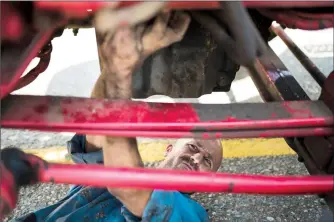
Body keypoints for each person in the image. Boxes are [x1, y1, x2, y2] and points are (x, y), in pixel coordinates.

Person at [14, 10, 223, 222]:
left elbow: (129, 190)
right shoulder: (117, 164)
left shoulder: (191, 215)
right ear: (169, 148)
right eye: (193, 147)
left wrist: (120, 69)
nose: (196, 158)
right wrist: (112, 69)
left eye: (207, 160)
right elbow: (96, 131)